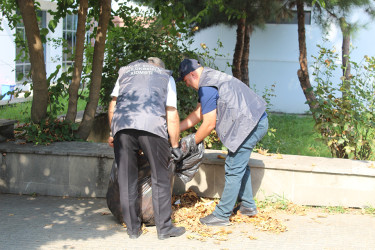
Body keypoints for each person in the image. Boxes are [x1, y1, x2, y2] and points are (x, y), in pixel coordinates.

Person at [177, 58, 269, 226]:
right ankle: (248, 206)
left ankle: (222, 215)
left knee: (233, 168)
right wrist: (176, 129)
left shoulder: (207, 86)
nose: (187, 85)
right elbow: (199, 114)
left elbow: (209, 124)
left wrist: (189, 143)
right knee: (239, 165)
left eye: (186, 81)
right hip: (254, 120)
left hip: (250, 124)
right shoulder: (209, 79)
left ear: (192, 74)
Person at [107, 57, 186, 239]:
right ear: (159, 67)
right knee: (161, 177)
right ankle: (164, 229)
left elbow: (113, 105)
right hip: (152, 126)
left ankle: (133, 230)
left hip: (123, 126)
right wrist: (174, 145)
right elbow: (171, 113)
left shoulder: (125, 73)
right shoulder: (166, 77)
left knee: (126, 179)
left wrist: (112, 132)